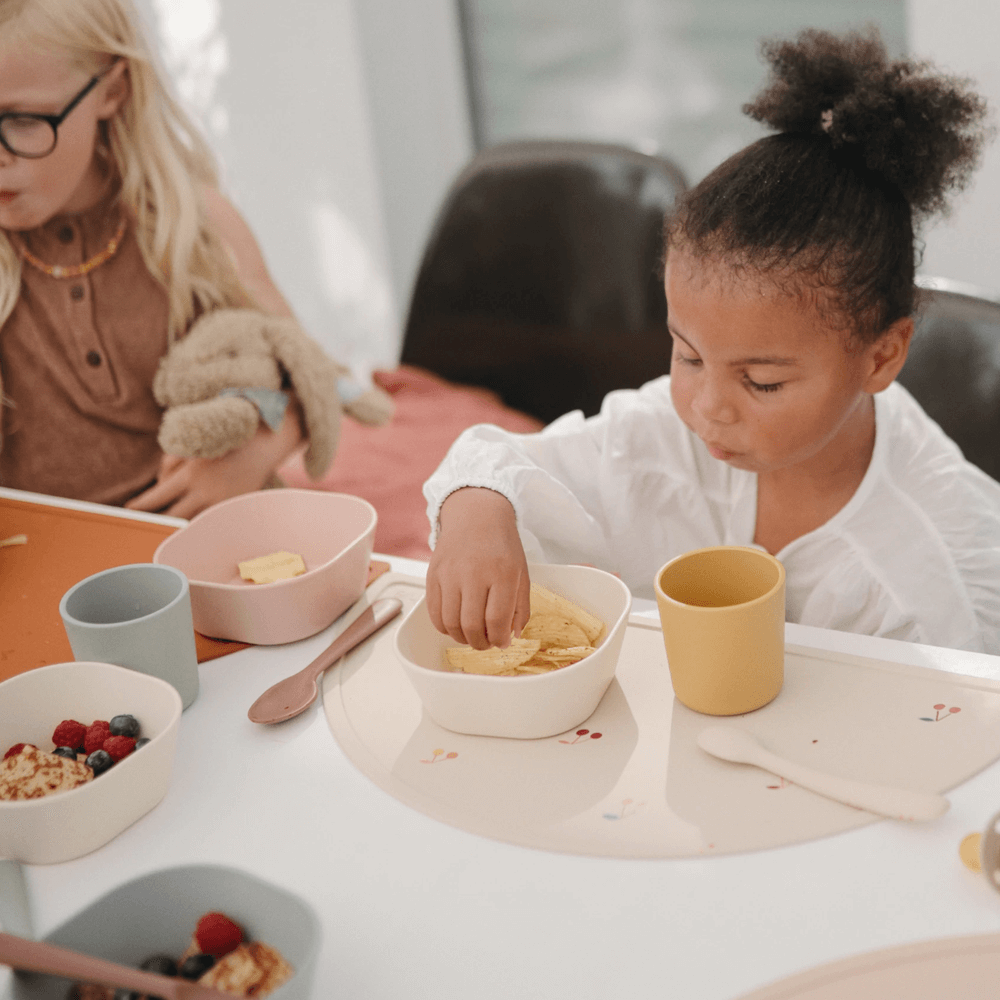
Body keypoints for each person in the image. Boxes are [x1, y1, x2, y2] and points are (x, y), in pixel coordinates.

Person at [423, 28, 1000, 655]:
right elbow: (505, 464)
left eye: (763, 382)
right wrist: (477, 511)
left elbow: (951, 727)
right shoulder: (681, 432)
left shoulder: (927, 585)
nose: (708, 407)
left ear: (881, 357)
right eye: (688, 355)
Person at [0, 0, 310, 518]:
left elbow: (309, 379)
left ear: (112, 91)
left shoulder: (199, 226)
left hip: (215, 547)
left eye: (23, 121)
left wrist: (253, 452)